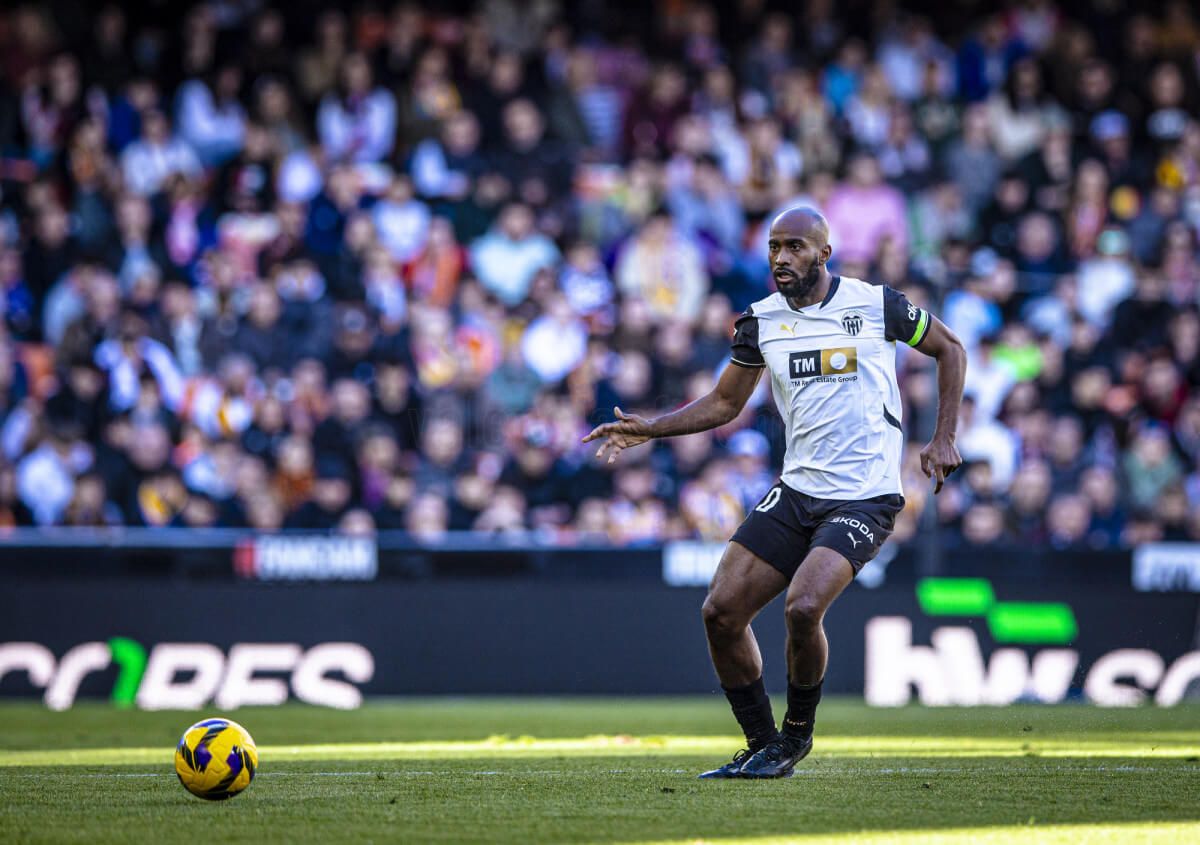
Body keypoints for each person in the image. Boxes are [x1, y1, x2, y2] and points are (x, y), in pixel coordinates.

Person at [583, 207, 965, 778]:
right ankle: (764, 744)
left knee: (804, 606)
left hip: (865, 495)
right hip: (796, 491)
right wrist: (651, 428)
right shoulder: (759, 322)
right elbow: (724, 404)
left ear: (823, 253)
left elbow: (950, 349)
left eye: (794, 247)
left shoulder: (874, 303)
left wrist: (943, 437)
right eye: (773, 249)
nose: (781, 259)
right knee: (720, 612)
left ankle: (796, 737)